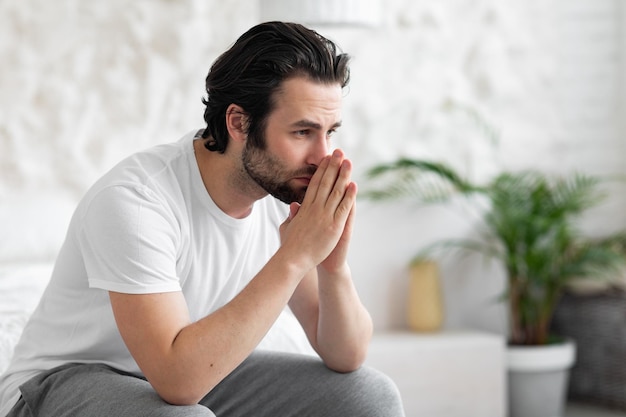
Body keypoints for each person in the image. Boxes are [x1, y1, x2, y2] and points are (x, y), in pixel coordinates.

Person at [0, 21, 404, 417]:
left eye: (330, 132)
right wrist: (296, 256)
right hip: (60, 386)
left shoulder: (284, 190)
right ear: (239, 123)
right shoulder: (137, 200)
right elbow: (178, 382)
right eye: (302, 132)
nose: (322, 155)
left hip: (190, 375)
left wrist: (332, 265)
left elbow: (346, 353)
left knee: (369, 396)